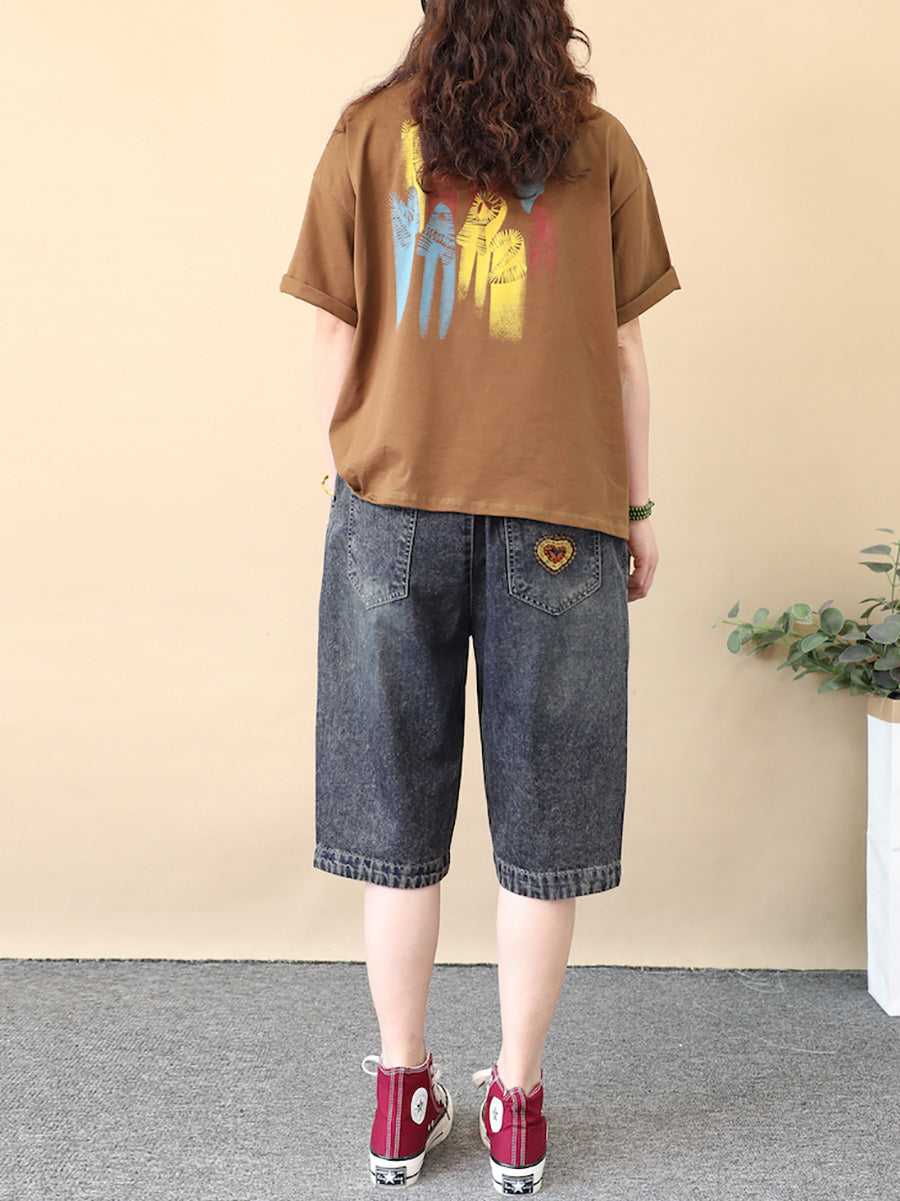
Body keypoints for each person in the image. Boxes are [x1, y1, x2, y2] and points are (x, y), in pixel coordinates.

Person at [279, 0, 681, 1191]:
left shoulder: (367, 132)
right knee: (544, 831)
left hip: (391, 508)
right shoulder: (599, 145)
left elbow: (333, 330)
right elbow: (624, 352)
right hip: (563, 516)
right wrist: (636, 509)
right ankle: (516, 1103)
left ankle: (402, 1095)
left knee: (394, 818)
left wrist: (350, 472)